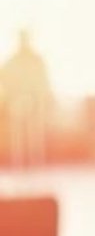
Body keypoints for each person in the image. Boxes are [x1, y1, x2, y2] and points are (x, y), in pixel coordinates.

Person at [1, 29, 54, 166]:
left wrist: (42, 98)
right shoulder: (12, 60)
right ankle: (19, 163)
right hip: (17, 100)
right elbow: (4, 77)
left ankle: (35, 162)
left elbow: (43, 79)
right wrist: (8, 97)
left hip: (35, 99)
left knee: (34, 134)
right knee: (18, 135)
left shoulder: (36, 59)